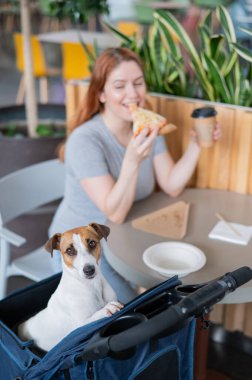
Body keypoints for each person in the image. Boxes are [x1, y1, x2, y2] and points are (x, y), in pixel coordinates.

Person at [49, 47, 221, 303]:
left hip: (126, 239)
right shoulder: (85, 140)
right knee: (135, 311)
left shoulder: (146, 125)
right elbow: (114, 212)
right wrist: (132, 160)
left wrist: (197, 145)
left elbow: (171, 184)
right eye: (120, 86)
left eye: (138, 83)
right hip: (84, 251)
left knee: (163, 298)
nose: (133, 94)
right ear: (101, 94)